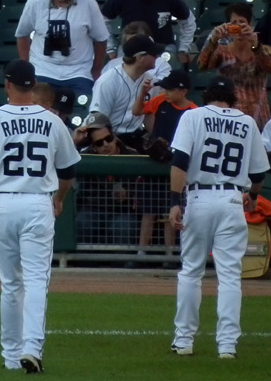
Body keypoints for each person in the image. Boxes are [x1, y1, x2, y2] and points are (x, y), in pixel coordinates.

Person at [0, 59, 81, 373]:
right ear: (33, 84)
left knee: (11, 283)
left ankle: (11, 356)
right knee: (37, 280)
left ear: (8, 85)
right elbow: (68, 171)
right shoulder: (53, 122)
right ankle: (32, 349)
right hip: (38, 202)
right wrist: (60, 198)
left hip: (4, 203)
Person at [168, 75, 270, 358]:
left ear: (206, 94)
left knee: (191, 271)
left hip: (199, 197)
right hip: (231, 199)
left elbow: (179, 162)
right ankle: (227, 345)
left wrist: (176, 202)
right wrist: (254, 195)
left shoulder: (193, 117)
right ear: (233, 97)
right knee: (229, 276)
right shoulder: (247, 122)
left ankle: (184, 341)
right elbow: (259, 174)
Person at [15, 0, 109, 97]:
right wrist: (27, 67)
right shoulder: (35, 1)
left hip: (78, 72)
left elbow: (101, 39)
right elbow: (22, 34)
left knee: (84, 107)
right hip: (42, 69)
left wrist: (96, 70)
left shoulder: (88, 2)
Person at [131, 69, 197, 262]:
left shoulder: (193, 111)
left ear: (183, 91)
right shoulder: (160, 102)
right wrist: (143, 93)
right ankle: (142, 254)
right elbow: (137, 111)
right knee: (148, 212)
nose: (165, 92)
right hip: (155, 162)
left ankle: (169, 254)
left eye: (170, 89)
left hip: (175, 166)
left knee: (171, 212)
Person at [197, 2, 271, 130]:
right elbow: (202, 66)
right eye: (234, 23)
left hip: (258, 115)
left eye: (242, 22)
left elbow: (270, 68)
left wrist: (255, 43)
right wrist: (213, 40)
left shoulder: (263, 49)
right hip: (230, 117)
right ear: (228, 26)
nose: (238, 27)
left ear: (250, 25)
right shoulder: (222, 51)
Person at [101, 0, 196, 65]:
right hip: (129, 47)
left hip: (162, 47)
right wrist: (110, 48)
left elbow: (188, 22)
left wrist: (183, 49)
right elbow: (103, 20)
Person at [72, 111, 141, 245]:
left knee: (123, 226)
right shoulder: (85, 157)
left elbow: (143, 190)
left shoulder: (132, 155)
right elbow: (63, 162)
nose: (105, 144)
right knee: (83, 221)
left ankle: (123, 264)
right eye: (99, 143)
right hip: (94, 208)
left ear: (114, 136)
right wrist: (73, 142)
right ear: (93, 147)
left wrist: (128, 194)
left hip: (124, 209)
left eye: (108, 139)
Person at [88, 34, 165, 151]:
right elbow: (98, 121)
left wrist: (157, 139)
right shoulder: (107, 81)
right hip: (109, 137)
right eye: (153, 54)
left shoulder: (150, 81)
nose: (157, 57)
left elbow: (148, 114)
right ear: (140, 57)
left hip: (136, 135)